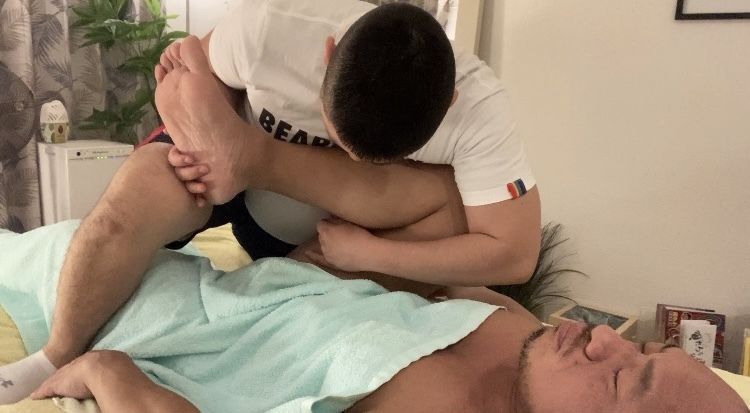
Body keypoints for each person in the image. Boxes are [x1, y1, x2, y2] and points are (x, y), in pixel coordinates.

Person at [0, 1, 542, 403]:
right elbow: (180, 74)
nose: (350, 155)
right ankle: (57, 352)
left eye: (373, 156)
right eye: (339, 135)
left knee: (451, 204)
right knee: (135, 195)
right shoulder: (272, 29)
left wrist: (372, 254)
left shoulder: (479, 110)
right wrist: (210, 143)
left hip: (317, 231)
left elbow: (515, 254)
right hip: (215, 176)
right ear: (327, 55)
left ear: (449, 102)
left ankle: (275, 308)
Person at [0, 222, 746, 412]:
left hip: (135, 320)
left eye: (625, 380)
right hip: (188, 273)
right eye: (645, 348)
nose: (607, 337)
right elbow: (414, 287)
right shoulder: (525, 337)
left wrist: (110, 373)